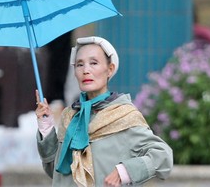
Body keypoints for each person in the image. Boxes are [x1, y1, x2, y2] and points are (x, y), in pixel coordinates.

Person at [35, 36, 173, 186]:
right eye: (79, 65)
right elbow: (56, 172)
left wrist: (124, 171)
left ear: (110, 69)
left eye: (93, 63)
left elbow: (163, 156)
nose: (86, 70)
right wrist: (46, 127)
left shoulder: (123, 115)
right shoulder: (69, 117)